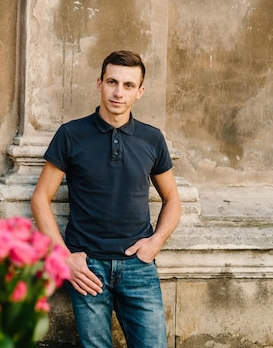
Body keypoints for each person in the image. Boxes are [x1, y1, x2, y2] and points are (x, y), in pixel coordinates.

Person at [31, 50, 181, 348]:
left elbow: (172, 197)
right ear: (99, 83)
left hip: (139, 266)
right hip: (88, 267)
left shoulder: (152, 139)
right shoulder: (71, 134)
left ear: (140, 91)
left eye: (128, 85)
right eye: (112, 82)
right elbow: (40, 198)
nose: (118, 92)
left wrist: (156, 242)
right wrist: (64, 257)